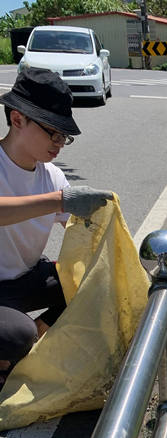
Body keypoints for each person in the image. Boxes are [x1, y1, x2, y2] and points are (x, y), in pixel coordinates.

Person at [0, 67, 113, 388]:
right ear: (18, 119)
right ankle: (17, 342)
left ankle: (26, 341)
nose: (59, 143)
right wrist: (58, 201)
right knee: (15, 334)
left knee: (97, 281)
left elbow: (80, 231)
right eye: (53, 132)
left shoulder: (51, 176)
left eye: (65, 136)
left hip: (21, 281)